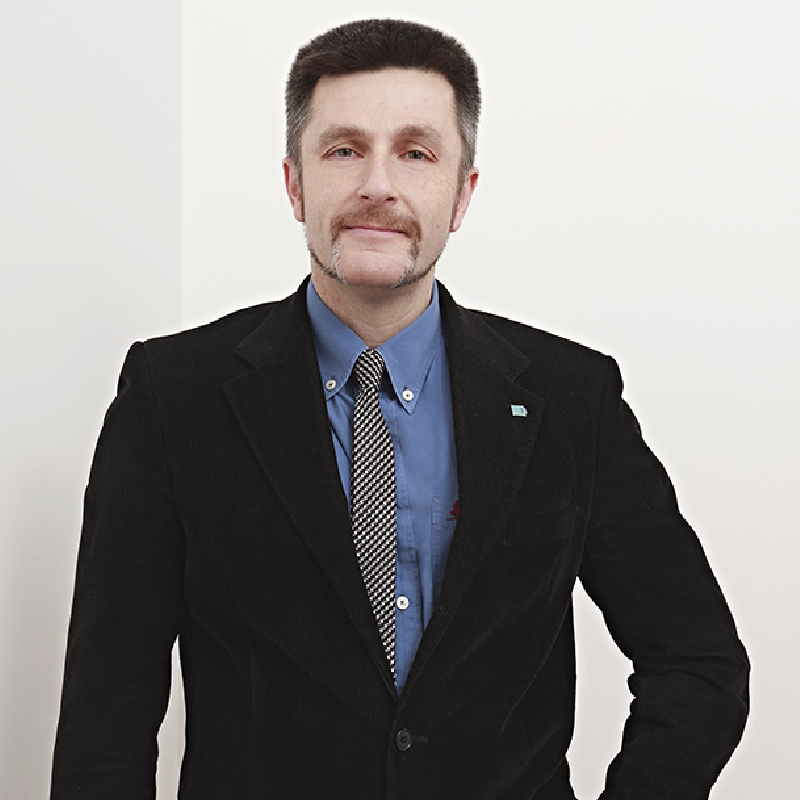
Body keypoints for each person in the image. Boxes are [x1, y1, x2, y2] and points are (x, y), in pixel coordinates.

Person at [50, 18, 749, 800]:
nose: (377, 185)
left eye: (416, 153)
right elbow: (106, 716)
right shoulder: (172, 396)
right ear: (294, 184)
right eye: (344, 150)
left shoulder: (570, 399)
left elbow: (699, 663)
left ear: (462, 194)